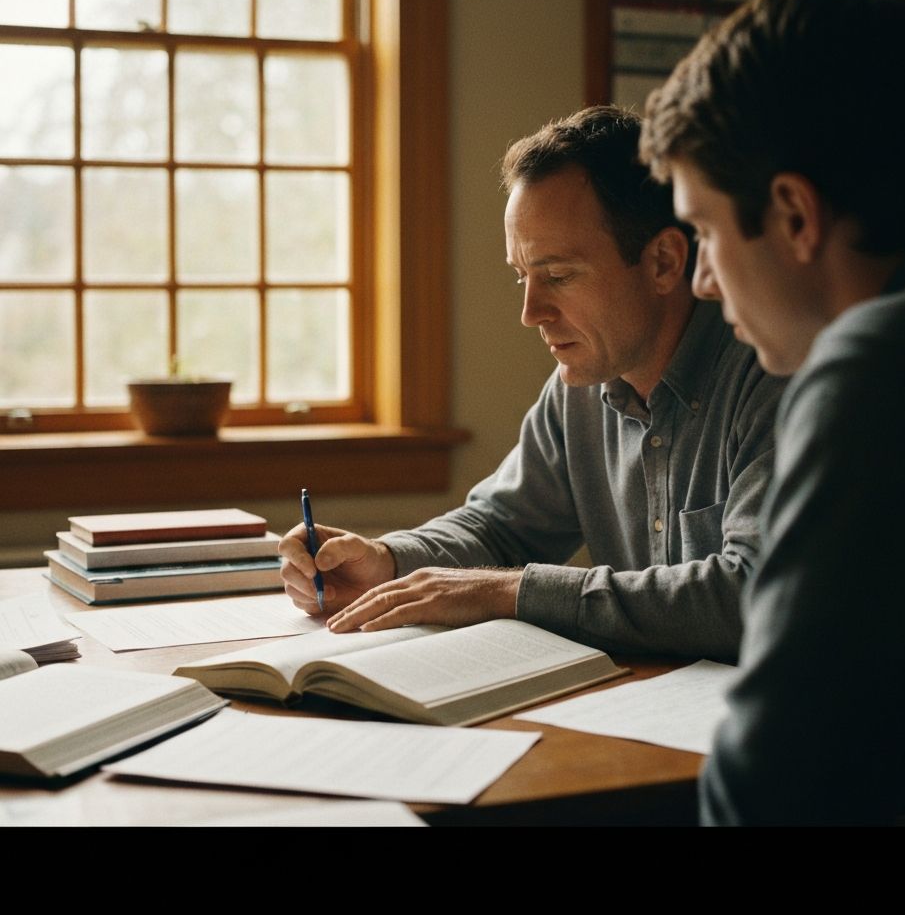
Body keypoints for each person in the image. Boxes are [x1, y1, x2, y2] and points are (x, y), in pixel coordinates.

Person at [641, 0, 905, 824]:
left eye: (703, 231)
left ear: (792, 213)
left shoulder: (884, 369)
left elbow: (774, 792)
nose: (704, 282)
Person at [280, 106, 785, 660]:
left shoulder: (772, 374)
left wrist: (509, 591)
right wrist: (387, 559)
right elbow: (501, 527)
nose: (530, 311)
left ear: (664, 262)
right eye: (522, 276)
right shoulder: (581, 387)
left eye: (559, 276)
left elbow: (751, 593)